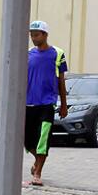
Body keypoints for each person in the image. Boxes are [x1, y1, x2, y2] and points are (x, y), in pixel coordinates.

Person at [25, 20, 68, 186]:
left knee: (43, 139)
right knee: (26, 140)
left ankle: (37, 173)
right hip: (28, 104)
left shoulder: (57, 54)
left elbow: (61, 81)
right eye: (32, 35)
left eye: (36, 35)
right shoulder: (28, 54)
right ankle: (37, 160)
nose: (33, 38)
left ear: (45, 35)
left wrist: (63, 104)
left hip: (47, 104)